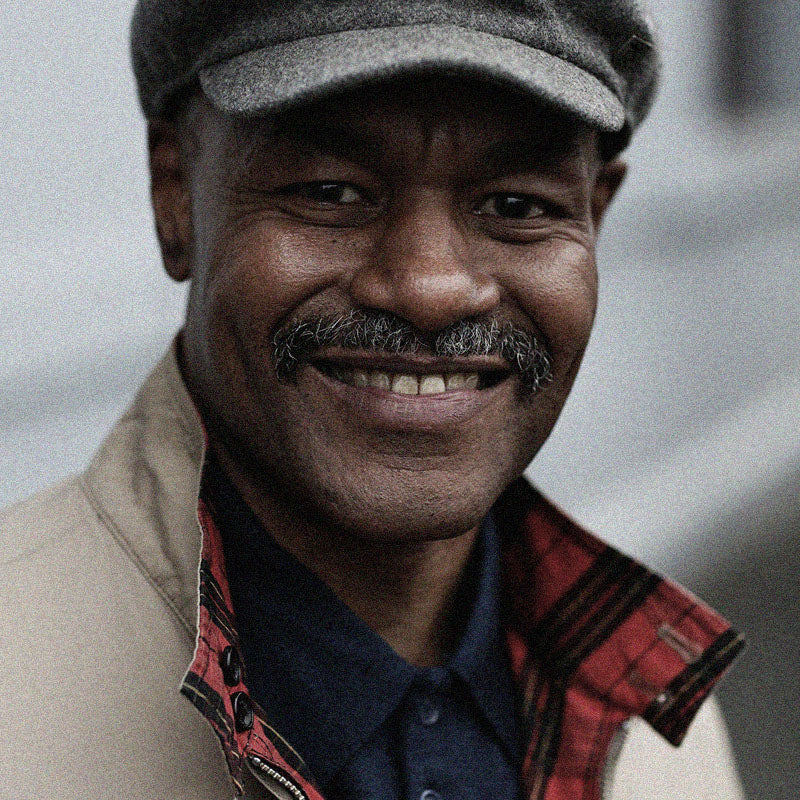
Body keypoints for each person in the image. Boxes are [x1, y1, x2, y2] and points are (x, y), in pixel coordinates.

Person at [0, 2, 746, 799]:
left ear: (597, 213)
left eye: (517, 207)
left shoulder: (655, 724)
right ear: (174, 193)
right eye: (330, 191)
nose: (430, 289)